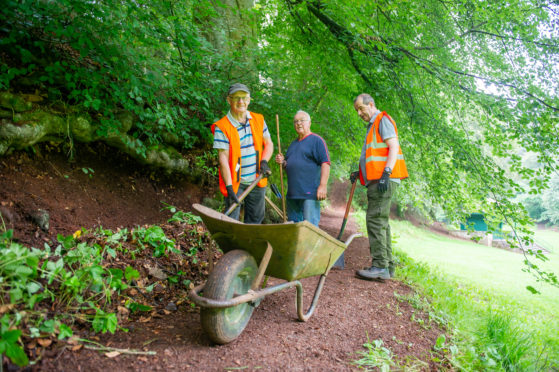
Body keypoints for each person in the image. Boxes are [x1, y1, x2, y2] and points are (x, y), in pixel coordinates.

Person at [352, 93, 408, 280]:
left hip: (383, 180)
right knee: (381, 222)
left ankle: (379, 266)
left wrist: (386, 173)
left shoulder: (382, 120)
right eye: (357, 110)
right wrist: (359, 172)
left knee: (375, 220)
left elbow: (393, 146)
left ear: (371, 104)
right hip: (378, 179)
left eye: (361, 108)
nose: (359, 113)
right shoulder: (373, 125)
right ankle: (387, 267)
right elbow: (374, 156)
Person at [212, 83, 274, 223]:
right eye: (237, 98)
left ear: (249, 99)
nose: (241, 102)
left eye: (244, 98)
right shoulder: (222, 126)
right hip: (235, 183)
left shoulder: (258, 119)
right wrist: (229, 187)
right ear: (229, 100)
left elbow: (269, 143)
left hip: (257, 179)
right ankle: (232, 245)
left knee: (255, 219)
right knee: (231, 221)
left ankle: (249, 245)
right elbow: (223, 159)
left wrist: (264, 161)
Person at [274, 110, 330, 226]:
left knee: (310, 228)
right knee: (294, 229)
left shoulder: (317, 141)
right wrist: (283, 162)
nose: (298, 123)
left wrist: (323, 186)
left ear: (309, 123)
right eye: (296, 121)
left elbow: (325, 163)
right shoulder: (293, 144)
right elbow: (289, 165)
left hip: (309, 194)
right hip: (292, 195)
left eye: (302, 121)